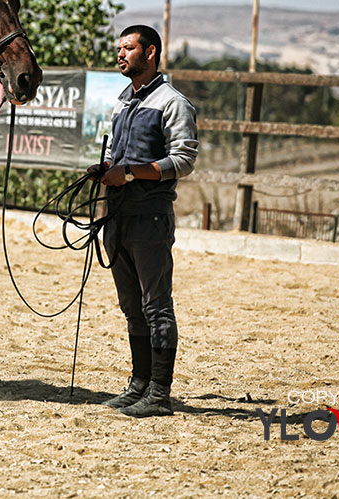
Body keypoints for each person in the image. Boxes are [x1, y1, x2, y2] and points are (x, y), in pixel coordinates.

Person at [92, 24, 198, 417]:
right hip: (117, 216)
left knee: (156, 306)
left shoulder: (173, 103)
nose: (121, 54)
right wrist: (106, 168)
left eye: (128, 48)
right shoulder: (123, 102)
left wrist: (132, 173)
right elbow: (119, 154)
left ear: (150, 52)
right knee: (131, 306)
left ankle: (159, 392)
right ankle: (138, 384)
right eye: (119, 48)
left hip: (150, 217)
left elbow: (183, 160)